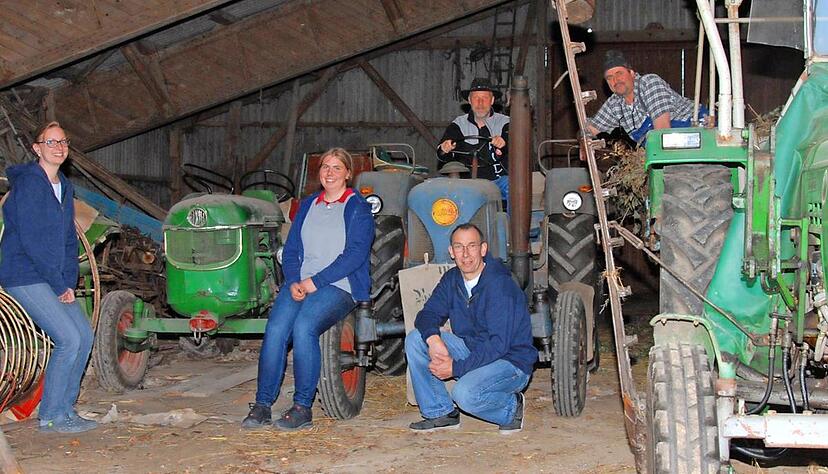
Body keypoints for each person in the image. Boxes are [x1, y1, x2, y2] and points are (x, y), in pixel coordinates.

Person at [242, 147, 374, 431]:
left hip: (340, 284)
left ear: (348, 174)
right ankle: (263, 404)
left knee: (304, 327)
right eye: (325, 166)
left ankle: (302, 406)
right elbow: (291, 250)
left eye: (337, 167)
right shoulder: (308, 205)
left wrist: (314, 282)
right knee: (276, 329)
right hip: (301, 283)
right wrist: (293, 281)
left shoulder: (357, 207)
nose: (329, 172)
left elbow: (355, 255)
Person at [0, 121, 98, 434]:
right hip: (25, 273)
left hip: (54, 276)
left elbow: (69, 237)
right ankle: (52, 416)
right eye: (50, 142)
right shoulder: (30, 183)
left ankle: (67, 411)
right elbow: (31, 242)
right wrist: (58, 285)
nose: (58, 147)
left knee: (84, 336)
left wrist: (69, 281)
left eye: (63, 142)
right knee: (67, 339)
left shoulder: (64, 185)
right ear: (37, 148)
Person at [405, 223, 536, 434]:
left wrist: (455, 369)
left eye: (472, 246)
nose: (465, 254)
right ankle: (440, 412)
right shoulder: (452, 280)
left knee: (465, 395)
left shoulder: (500, 285)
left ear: (483, 249)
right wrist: (433, 339)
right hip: (473, 349)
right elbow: (427, 314)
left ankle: (511, 408)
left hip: (510, 361)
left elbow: (499, 345)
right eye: (459, 247)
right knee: (416, 339)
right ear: (451, 252)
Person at [587, 50, 708, 145]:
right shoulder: (614, 104)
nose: (615, 80)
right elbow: (591, 129)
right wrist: (583, 139)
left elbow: (662, 131)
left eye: (619, 73)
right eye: (609, 77)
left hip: (695, 136)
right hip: (664, 146)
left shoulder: (649, 83)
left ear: (632, 73)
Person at [437, 78, 510, 203]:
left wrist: (504, 144)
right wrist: (444, 149)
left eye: (485, 98)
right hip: (466, 184)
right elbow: (441, 154)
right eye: (476, 98)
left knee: (512, 185)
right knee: (440, 191)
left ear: (492, 100)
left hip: (498, 182)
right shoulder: (458, 124)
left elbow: (517, 149)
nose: (480, 103)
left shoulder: (505, 123)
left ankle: (512, 222)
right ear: (469, 100)